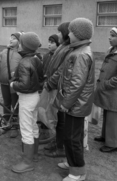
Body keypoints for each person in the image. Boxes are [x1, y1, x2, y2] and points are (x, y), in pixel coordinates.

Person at [55, 18, 95, 181]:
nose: (68, 34)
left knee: (72, 138)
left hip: (75, 105)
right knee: (71, 136)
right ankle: (73, 163)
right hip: (75, 104)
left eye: (71, 31)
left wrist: (65, 104)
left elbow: (76, 83)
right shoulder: (78, 50)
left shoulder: (81, 54)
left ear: (79, 34)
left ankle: (78, 172)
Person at [10, 32, 44, 173]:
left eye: (21, 42)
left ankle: (27, 162)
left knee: (26, 129)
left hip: (27, 98)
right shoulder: (37, 59)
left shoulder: (24, 62)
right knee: (33, 125)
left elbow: (24, 85)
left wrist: (13, 84)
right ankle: (34, 155)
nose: (18, 44)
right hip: (36, 96)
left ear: (24, 45)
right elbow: (39, 79)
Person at [43, 22, 71, 155]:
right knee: (58, 118)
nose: (58, 34)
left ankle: (60, 147)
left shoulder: (67, 49)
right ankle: (57, 142)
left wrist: (50, 83)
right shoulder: (64, 47)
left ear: (65, 33)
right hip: (56, 86)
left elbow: (61, 70)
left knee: (61, 119)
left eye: (60, 32)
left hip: (60, 88)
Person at [94, 27, 117, 153]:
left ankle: (113, 143)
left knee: (113, 116)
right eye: (110, 35)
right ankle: (105, 136)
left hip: (114, 91)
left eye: (113, 35)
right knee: (107, 113)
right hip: (108, 90)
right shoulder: (112, 50)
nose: (109, 37)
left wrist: (107, 84)